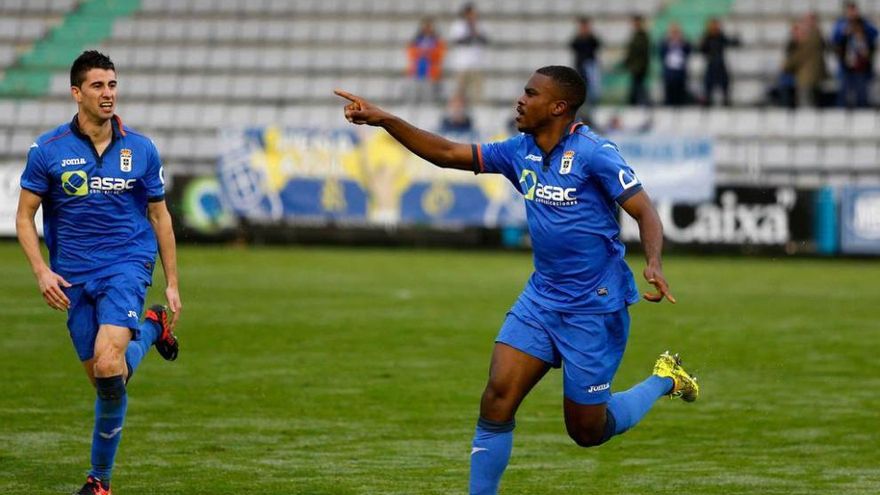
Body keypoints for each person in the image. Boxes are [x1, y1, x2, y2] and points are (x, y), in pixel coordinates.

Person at [335, 65, 698, 495]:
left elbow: (645, 211)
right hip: (541, 300)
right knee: (497, 399)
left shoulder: (595, 153)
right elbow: (450, 154)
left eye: (531, 93)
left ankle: (665, 379)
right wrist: (387, 120)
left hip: (594, 307)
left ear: (558, 106)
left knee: (587, 431)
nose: (520, 100)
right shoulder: (517, 151)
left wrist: (653, 261)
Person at [15, 50, 181, 495]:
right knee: (108, 380)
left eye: (112, 85)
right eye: (97, 86)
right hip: (72, 277)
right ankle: (152, 326)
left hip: (126, 265)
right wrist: (41, 272)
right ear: (76, 93)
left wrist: (172, 281)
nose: (108, 94)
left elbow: (160, 217)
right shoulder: (48, 151)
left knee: (109, 365)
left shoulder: (141, 149)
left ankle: (99, 482)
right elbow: (24, 217)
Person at [783, 13, 828, 108]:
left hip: (806, 79)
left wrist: (785, 65)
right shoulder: (812, 39)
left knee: (806, 107)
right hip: (809, 78)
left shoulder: (811, 41)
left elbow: (794, 60)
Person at [448, 2, 489, 105]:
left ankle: (477, 107)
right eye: (471, 13)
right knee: (460, 90)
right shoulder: (458, 25)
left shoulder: (479, 25)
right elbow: (457, 41)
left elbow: (485, 40)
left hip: (477, 64)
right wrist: (471, 33)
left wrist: (476, 32)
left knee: (477, 92)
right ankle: (459, 108)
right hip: (462, 64)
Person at [834, 12, 876, 108]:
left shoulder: (866, 39)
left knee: (861, 93)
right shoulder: (846, 38)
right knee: (844, 92)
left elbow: (869, 53)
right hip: (847, 68)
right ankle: (842, 111)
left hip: (861, 69)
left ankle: (862, 111)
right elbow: (837, 46)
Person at [699, 18, 740, 106]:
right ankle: (707, 99)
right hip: (710, 63)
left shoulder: (720, 36)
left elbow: (729, 42)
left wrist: (736, 40)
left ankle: (725, 100)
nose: (714, 27)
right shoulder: (706, 37)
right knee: (708, 83)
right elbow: (701, 50)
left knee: (725, 82)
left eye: (716, 25)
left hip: (720, 63)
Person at [406, 17, 446, 103]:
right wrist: (421, 52)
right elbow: (410, 53)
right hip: (417, 71)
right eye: (425, 27)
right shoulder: (416, 40)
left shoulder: (437, 41)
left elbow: (440, 54)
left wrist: (428, 53)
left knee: (428, 96)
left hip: (431, 72)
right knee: (414, 93)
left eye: (429, 27)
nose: (427, 29)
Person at [570, 16, 603, 105]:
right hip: (580, 66)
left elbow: (598, 45)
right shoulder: (578, 38)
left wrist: (589, 35)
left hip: (590, 66)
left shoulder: (591, 38)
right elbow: (572, 46)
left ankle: (592, 104)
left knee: (592, 88)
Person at [659, 22, 692, 106]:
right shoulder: (665, 43)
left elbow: (689, 51)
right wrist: (668, 42)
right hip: (669, 74)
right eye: (673, 32)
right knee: (669, 96)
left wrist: (682, 41)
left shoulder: (683, 43)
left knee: (680, 96)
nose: (674, 34)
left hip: (680, 74)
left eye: (676, 32)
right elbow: (661, 54)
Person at [623, 15, 651, 106]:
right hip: (635, 67)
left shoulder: (643, 36)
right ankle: (635, 104)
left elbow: (642, 52)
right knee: (636, 87)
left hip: (640, 68)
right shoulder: (635, 35)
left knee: (639, 87)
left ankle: (640, 104)